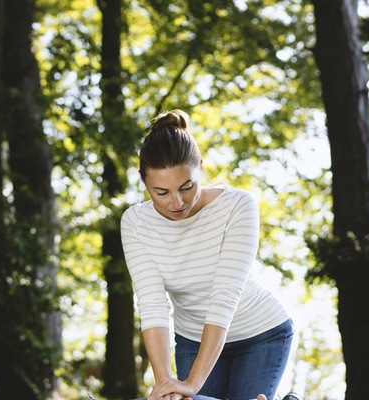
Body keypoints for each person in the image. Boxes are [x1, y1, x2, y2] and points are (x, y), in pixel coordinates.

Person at [121, 109, 295, 400]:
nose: (177, 203)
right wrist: (166, 386)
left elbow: (223, 297)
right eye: (161, 192)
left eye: (186, 187)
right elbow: (152, 306)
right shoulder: (136, 223)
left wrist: (190, 384)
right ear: (144, 182)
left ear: (200, 168)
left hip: (260, 333)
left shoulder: (237, 206)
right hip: (192, 338)